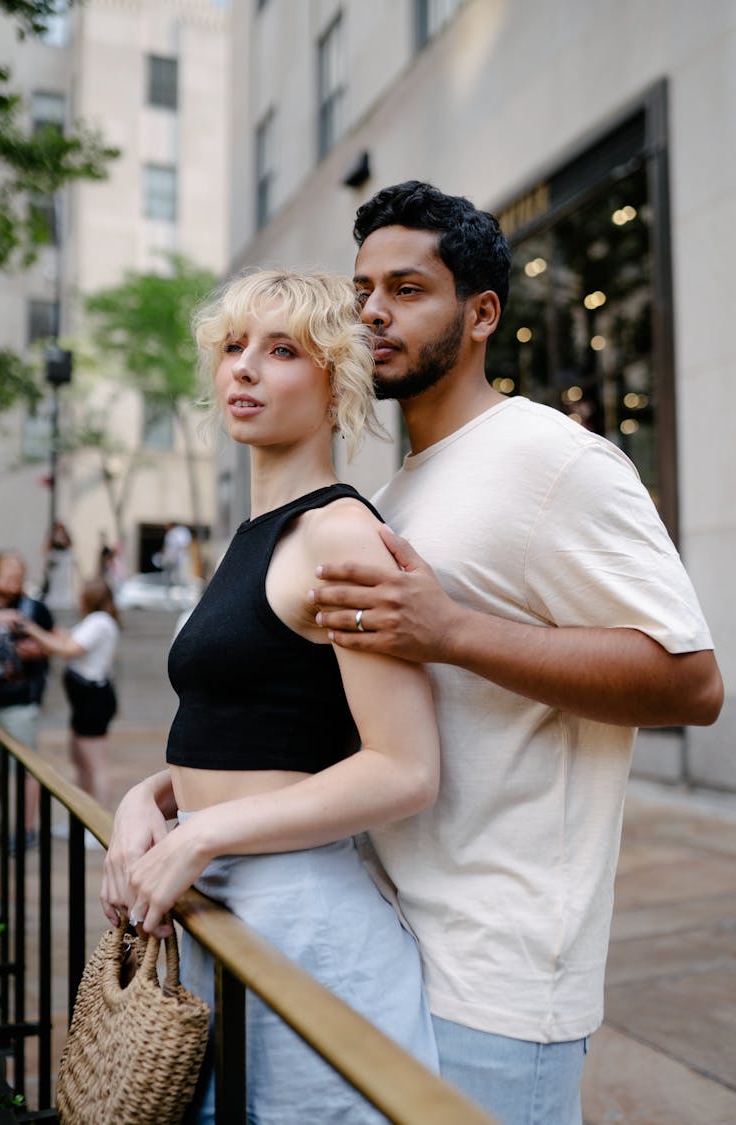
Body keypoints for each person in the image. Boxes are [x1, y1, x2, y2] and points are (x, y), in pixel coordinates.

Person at [306, 181, 724, 1125]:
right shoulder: (401, 488)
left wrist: (453, 631)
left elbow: (692, 682)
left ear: (482, 312)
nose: (372, 311)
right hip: (391, 944)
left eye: (407, 289)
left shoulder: (551, 458)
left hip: (500, 982)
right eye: (362, 288)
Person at [100, 269, 440, 1123]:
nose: (243, 368)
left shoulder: (340, 535)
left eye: (282, 349)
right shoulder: (259, 535)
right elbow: (258, 724)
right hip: (224, 908)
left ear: (336, 382)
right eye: (233, 346)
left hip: (307, 932)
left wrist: (202, 832)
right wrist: (153, 796)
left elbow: (404, 769)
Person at [18, 577, 119, 813]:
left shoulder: (99, 621)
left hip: (93, 700)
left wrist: (33, 631)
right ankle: (83, 817)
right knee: (80, 760)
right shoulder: (93, 621)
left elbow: (69, 649)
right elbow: (67, 639)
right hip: (83, 700)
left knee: (95, 765)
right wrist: (48, 636)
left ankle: (100, 821)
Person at [0, 553, 54, 847]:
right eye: (8, 576)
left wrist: (38, 649)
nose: (13, 582)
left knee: (26, 769)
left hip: (20, 700)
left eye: (18, 576)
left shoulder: (34, 609)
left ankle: (26, 829)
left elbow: (55, 642)